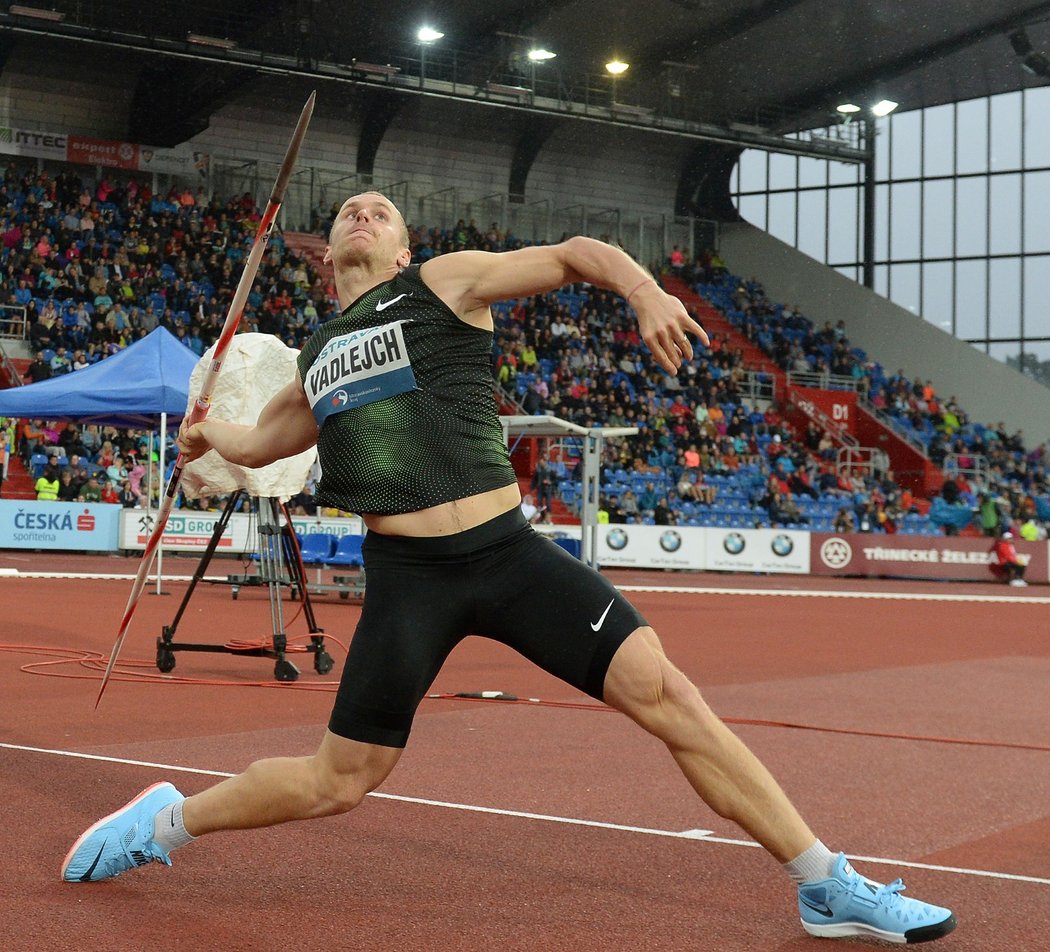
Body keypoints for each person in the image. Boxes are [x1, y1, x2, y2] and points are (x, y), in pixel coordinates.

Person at [62, 191, 956, 945]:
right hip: (408, 579)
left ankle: (823, 880)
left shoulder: (442, 284)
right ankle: (165, 821)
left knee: (671, 695)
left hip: (509, 556)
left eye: (382, 210)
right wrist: (205, 435)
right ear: (329, 249)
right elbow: (262, 443)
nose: (364, 212)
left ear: (405, 245)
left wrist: (642, 288)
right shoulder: (314, 358)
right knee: (339, 781)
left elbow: (573, 253)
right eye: (349, 211)